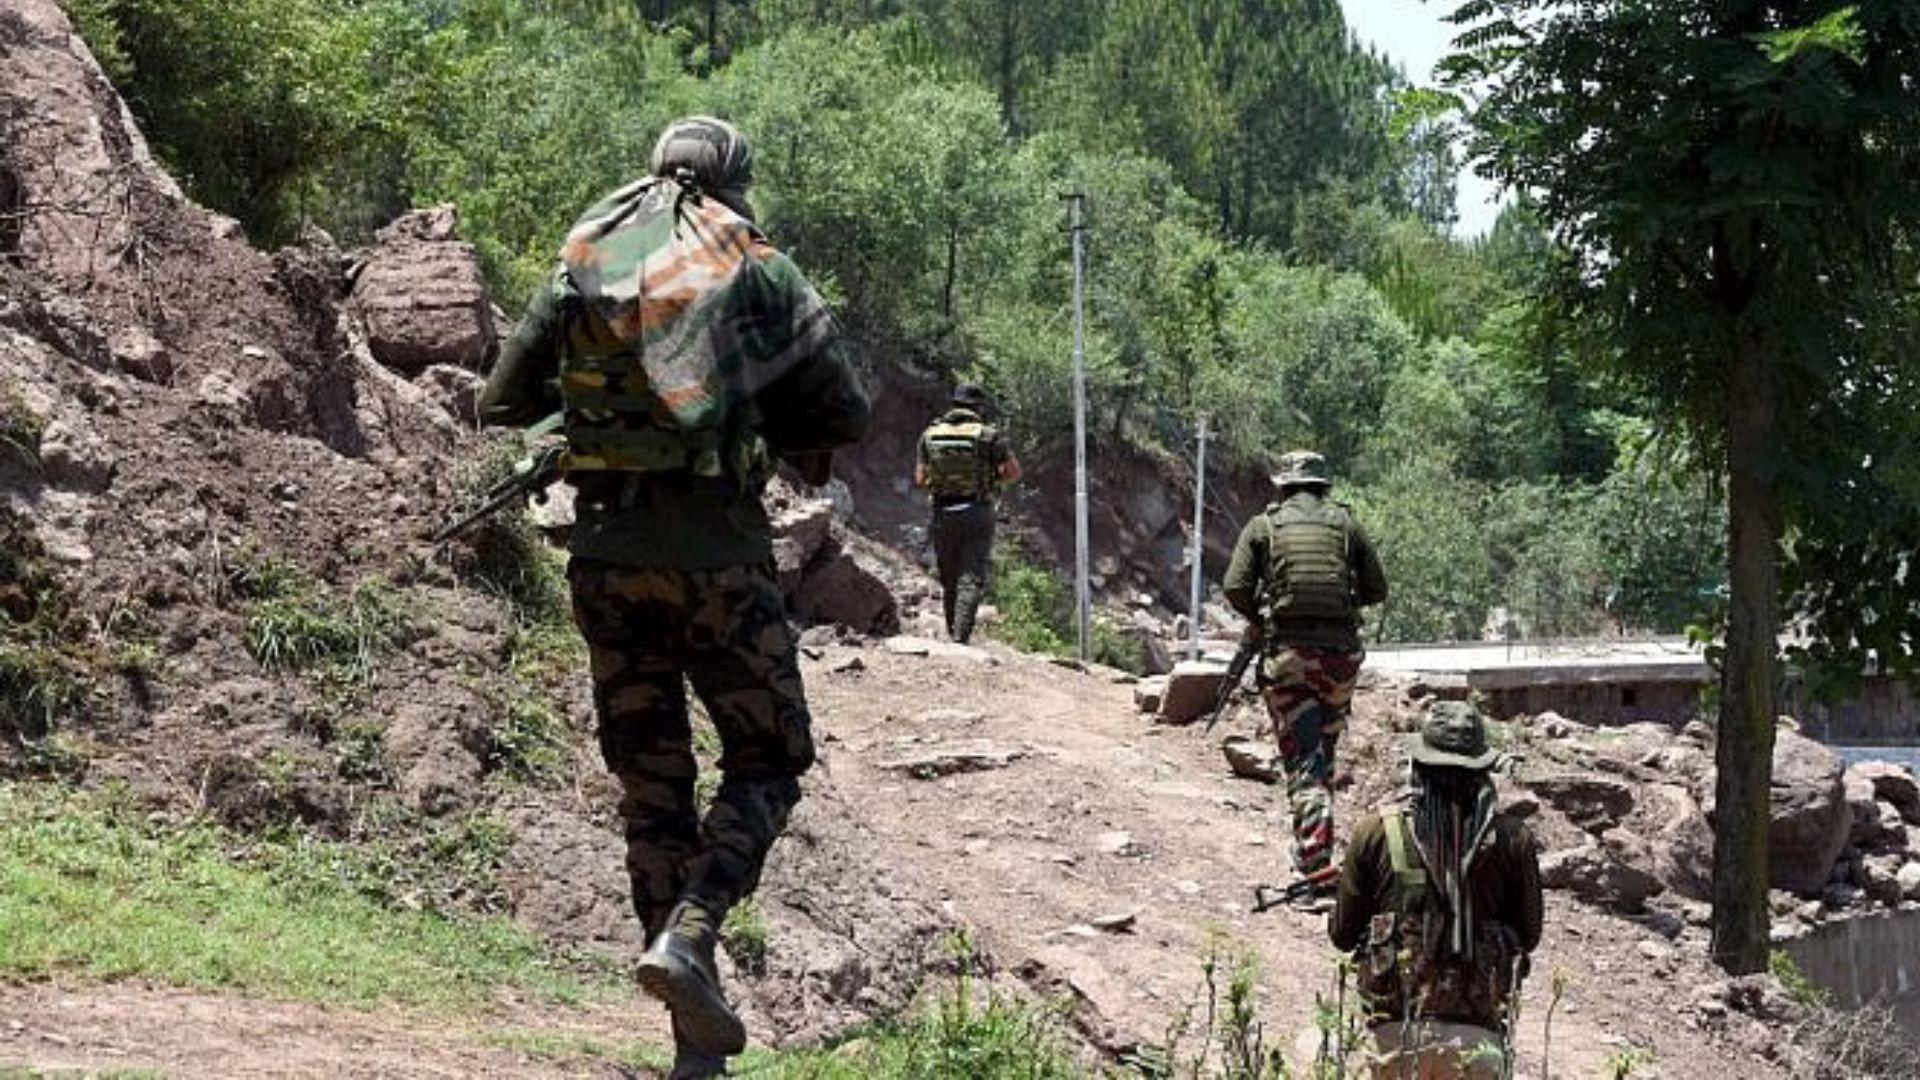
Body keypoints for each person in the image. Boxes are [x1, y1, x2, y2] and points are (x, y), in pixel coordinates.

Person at [476, 116, 870, 1079]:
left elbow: (503, 402)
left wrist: (602, 414)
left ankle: (694, 1043)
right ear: (735, 180)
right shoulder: (758, 268)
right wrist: (741, 396)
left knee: (652, 784)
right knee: (770, 757)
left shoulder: (584, 263)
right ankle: (691, 934)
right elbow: (845, 412)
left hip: (606, 563)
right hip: (719, 564)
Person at [1329, 700, 1543, 1079]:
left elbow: (1343, 935)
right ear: (1483, 769)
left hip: (1392, 1039)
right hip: (1479, 1043)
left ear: (1419, 766)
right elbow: (1529, 935)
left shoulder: (1375, 831)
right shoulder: (1514, 839)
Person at [1222, 449, 1387, 908]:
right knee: (1321, 755)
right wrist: (1340, 604)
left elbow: (1235, 587)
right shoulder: (1347, 525)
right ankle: (1316, 850)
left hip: (1289, 658)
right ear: (1322, 486)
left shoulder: (1263, 526)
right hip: (1339, 659)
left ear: (1285, 486)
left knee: (1304, 763)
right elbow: (1377, 589)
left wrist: (1263, 617)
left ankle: (1316, 869)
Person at [913, 384, 1020, 644]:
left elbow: (920, 479)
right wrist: (991, 479)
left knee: (949, 577)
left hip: (943, 513)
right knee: (970, 577)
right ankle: (960, 637)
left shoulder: (930, 435)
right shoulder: (988, 435)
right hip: (978, 511)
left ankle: (952, 630)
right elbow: (1013, 472)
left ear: (954, 405)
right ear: (979, 408)